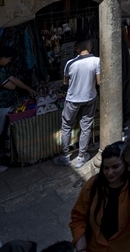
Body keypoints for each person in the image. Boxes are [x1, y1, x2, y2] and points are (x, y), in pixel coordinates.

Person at [70, 141, 130, 251]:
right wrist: (80, 237)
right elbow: (78, 216)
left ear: (125, 164)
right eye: (106, 168)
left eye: (115, 167)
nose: (110, 172)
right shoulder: (93, 186)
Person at [0, 45, 36, 174]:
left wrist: (29, 89)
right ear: (2, 58)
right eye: (8, 59)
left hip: (4, 106)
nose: (9, 61)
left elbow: (14, 79)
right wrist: (14, 85)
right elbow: (12, 86)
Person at [54, 40, 100, 168]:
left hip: (73, 99)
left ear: (76, 49)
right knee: (86, 127)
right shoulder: (96, 61)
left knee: (67, 126)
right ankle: (81, 157)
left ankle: (65, 155)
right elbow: (99, 81)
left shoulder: (70, 63)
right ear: (90, 46)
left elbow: (65, 82)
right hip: (89, 97)